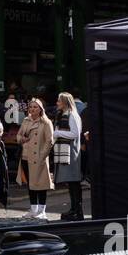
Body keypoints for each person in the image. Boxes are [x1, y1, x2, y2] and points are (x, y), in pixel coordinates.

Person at [16, 97, 54, 220]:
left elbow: (50, 141)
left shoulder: (46, 122)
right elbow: (19, 134)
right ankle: (33, 209)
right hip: (26, 156)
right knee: (31, 184)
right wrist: (21, 139)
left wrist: (43, 156)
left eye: (35, 107)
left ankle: (42, 211)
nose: (32, 109)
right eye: (31, 107)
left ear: (40, 109)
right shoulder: (26, 120)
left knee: (41, 184)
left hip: (39, 158)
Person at [53, 91, 84, 220]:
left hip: (71, 153)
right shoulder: (64, 114)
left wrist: (57, 133)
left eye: (59, 101)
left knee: (74, 183)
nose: (57, 103)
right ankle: (74, 209)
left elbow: (75, 134)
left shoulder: (72, 115)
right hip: (67, 151)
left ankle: (78, 211)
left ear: (65, 102)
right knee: (71, 183)